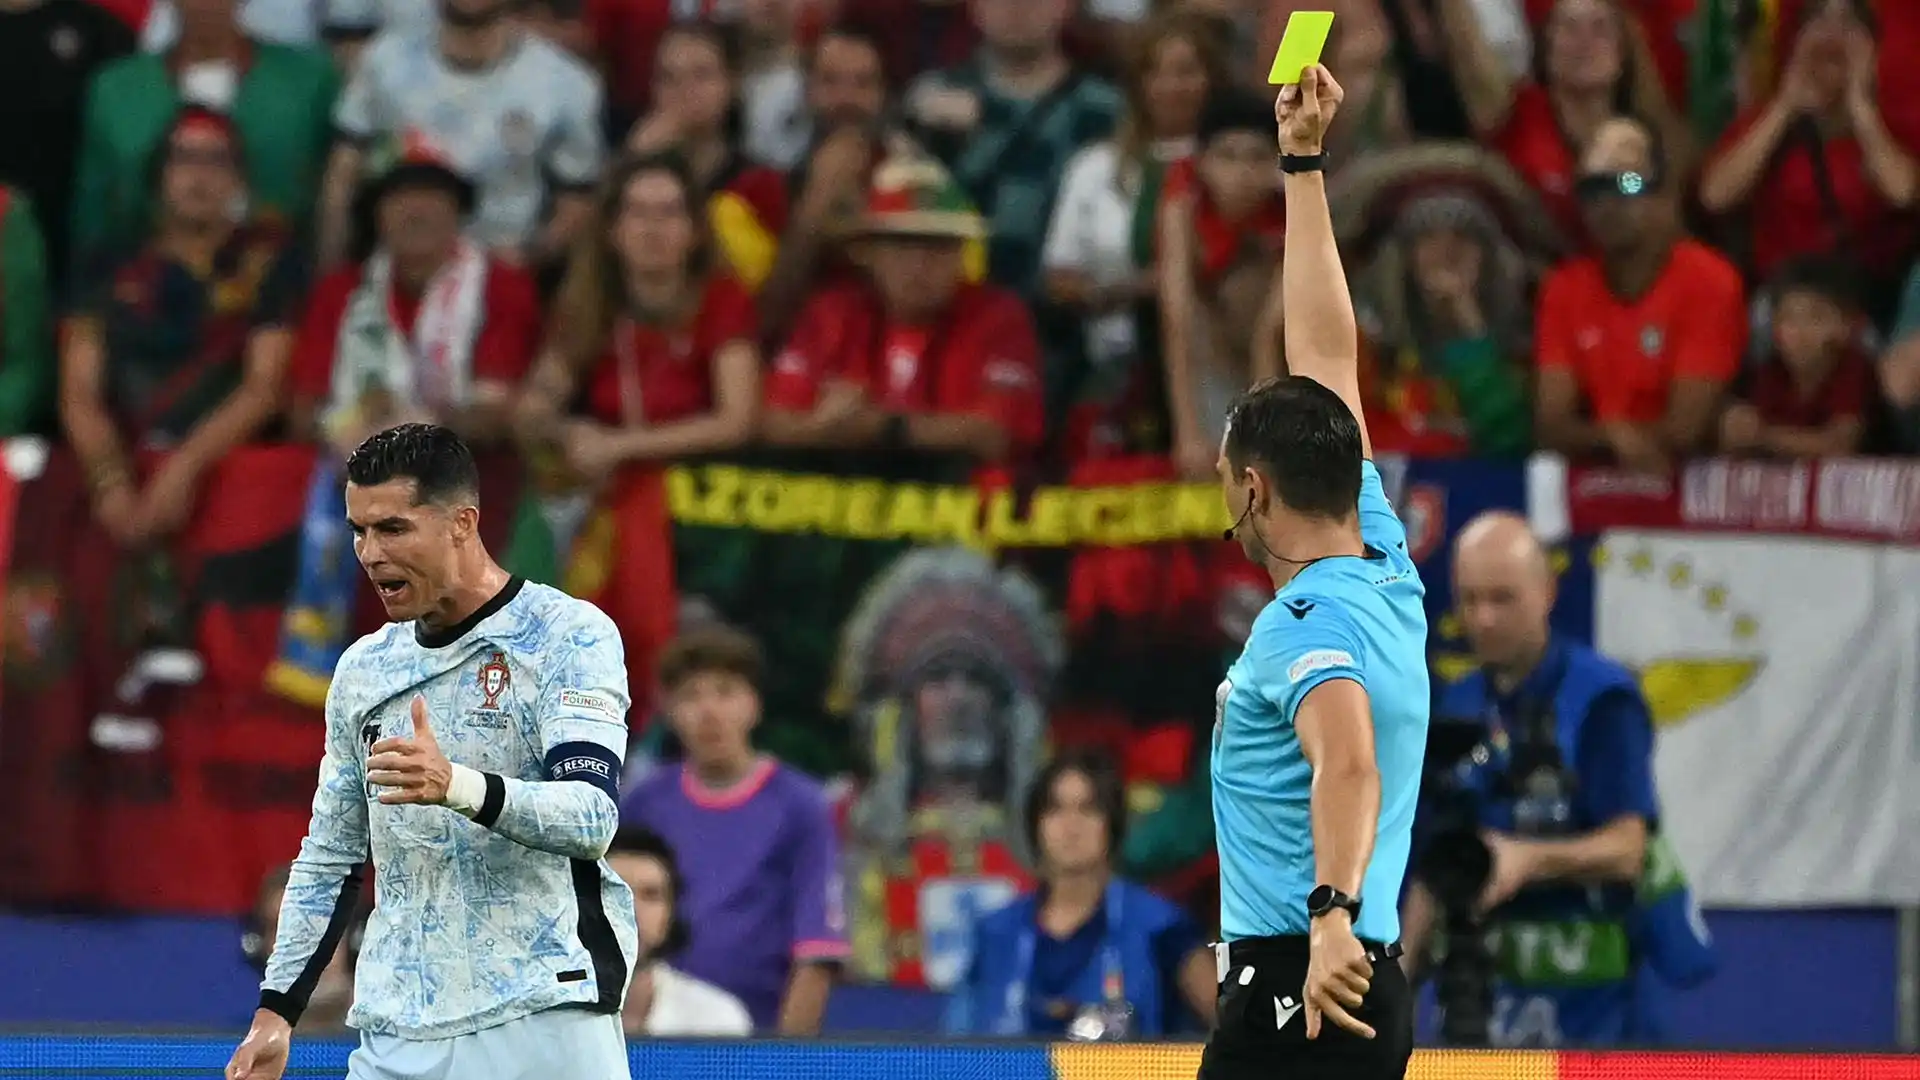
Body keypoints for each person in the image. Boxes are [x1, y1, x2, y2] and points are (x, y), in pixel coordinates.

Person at [225, 424, 637, 1080]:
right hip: (400, 1024)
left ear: (461, 523)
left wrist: (460, 786)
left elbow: (590, 817)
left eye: (392, 529)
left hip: (543, 1009)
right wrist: (277, 1010)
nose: (369, 553)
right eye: (358, 531)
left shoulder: (567, 636)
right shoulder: (365, 669)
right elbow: (330, 857)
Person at [1202, 65, 1427, 1080]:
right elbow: (1328, 361)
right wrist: (1302, 165)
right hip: (1366, 977)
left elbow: (1347, 760)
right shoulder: (1382, 557)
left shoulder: (1300, 623)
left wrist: (1329, 915)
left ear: (1252, 491)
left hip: (1300, 982)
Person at [1402, 511, 1713, 1046]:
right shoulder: (1455, 703)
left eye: (1503, 599)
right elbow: (1436, 863)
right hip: (1477, 1011)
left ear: (1546, 591)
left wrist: (1524, 859)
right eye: (1471, 599)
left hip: (1596, 1024)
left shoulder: (1603, 700)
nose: (1485, 619)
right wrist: (1394, 988)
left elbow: (1628, 848)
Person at [619, 624, 849, 1034]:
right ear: (669, 711)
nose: (709, 712)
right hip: (662, 1033)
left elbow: (816, 952)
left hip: (760, 1036)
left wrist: (781, 1063)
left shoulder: (802, 806)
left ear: (754, 705)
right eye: (691, 696)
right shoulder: (643, 803)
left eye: (725, 692)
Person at [947, 750, 1214, 1038]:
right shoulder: (996, 933)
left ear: (1112, 824)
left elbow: (1238, 1031)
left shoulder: (1159, 926)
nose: (1070, 827)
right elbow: (950, 1050)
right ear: (1035, 826)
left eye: (1088, 809)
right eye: (1055, 809)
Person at [606, 827, 754, 1037]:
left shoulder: (717, 1021)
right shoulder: (548, 1019)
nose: (631, 910)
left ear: (672, 912)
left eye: (651, 895)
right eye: (615, 893)